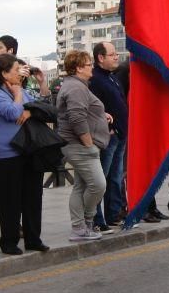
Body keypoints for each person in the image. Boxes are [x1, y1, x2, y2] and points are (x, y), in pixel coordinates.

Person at [0, 54, 48, 255]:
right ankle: (9, 241)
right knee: (10, 200)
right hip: (6, 153)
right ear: (3, 73)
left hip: (28, 150)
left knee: (33, 196)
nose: (20, 74)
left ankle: (33, 239)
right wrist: (19, 95)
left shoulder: (21, 90)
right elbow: (12, 113)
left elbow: (42, 106)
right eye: (16, 70)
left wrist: (41, 87)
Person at [57, 50, 110, 241]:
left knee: (81, 186)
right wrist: (89, 144)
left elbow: (82, 111)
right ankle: (85, 222)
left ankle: (80, 228)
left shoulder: (77, 85)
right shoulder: (76, 87)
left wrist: (100, 116)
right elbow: (76, 117)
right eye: (89, 64)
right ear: (79, 68)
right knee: (98, 185)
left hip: (77, 144)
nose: (92, 67)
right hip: (79, 145)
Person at [89, 41, 135, 230]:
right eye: (112, 54)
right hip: (109, 136)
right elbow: (93, 108)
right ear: (100, 58)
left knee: (115, 177)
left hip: (121, 134)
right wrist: (110, 126)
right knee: (102, 179)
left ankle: (113, 214)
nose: (117, 57)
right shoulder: (95, 79)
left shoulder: (112, 77)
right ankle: (97, 219)